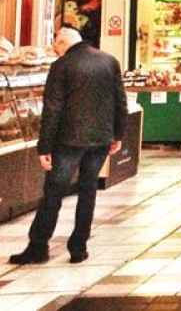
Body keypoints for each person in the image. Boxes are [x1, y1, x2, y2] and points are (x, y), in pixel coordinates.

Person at [8, 27, 126, 265]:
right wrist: (117, 134)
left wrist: (44, 147)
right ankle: (78, 247)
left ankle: (38, 246)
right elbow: (119, 100)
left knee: (54, 192)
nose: (56, 52)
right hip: (101, 138)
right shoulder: (109, 61)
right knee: (88, 189)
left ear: (63, 43)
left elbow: (52, 110)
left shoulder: (61, 66)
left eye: (56, 47)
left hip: (69, 140)